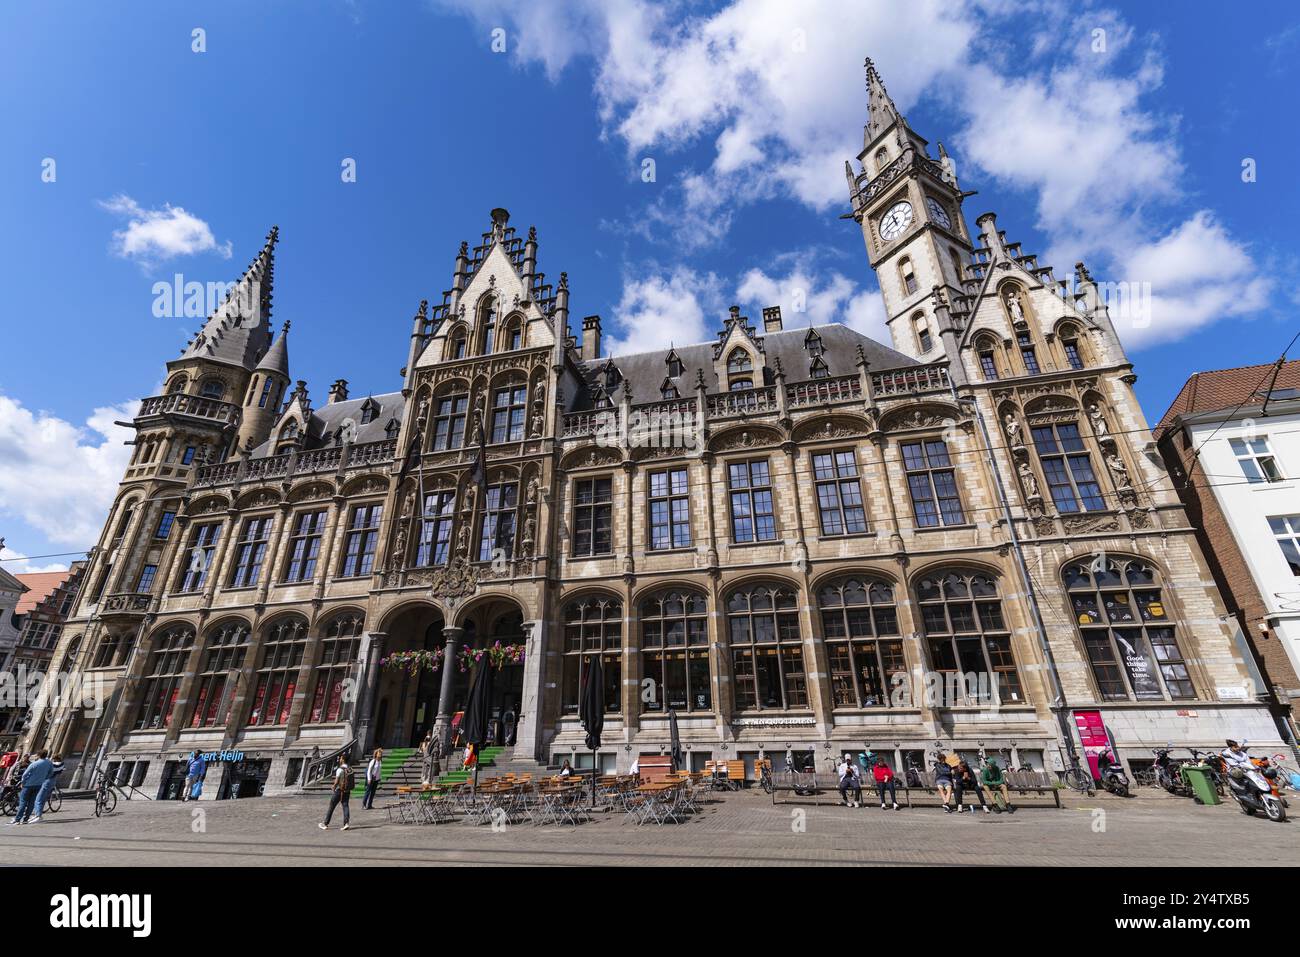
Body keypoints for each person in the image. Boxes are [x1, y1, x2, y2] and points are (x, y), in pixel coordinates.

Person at [7, 750, 54, 825]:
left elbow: (25, 774)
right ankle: (26, 819)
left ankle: (17, 819)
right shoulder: (49, 763)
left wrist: (23, 782)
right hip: (38, 785)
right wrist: (44, 778)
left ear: (38, 755)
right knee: (31, 802)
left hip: (28, 785)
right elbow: (51, 773)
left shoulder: (34, 764)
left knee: (23, 801)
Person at [319, 756, 354, 831]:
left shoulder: (340, 769)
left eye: (341, 758)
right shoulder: (350, 769)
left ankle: (325, 823)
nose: (340, 759)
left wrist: (333, 786)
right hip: (347, 790)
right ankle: (346, 823)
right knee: (345, 805)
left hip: (339, 790)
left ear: (343, 760)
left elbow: (337, 781)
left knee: (332, 806)